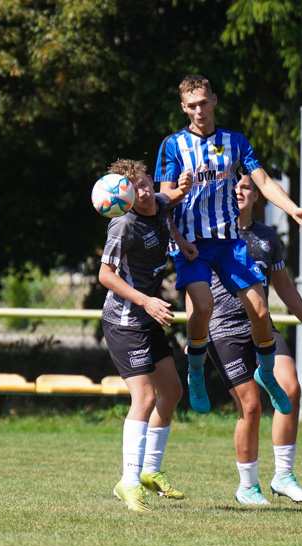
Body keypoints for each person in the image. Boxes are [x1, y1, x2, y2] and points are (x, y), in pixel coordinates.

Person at [155, 74, 302, 417]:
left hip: (230, 242)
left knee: (260, 311)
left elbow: (262, 180)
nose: (199, 111)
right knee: (203, 307)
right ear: (184, 109)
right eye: (192, 106)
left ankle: (267, 372)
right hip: (192, 245)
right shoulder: (173, 146)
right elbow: (162, 200)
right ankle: (196, 372)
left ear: (214, 100)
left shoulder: (236, 142)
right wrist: (179, 197)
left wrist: (293, 209)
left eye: (204, 102)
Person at [204, 173, 302, 505]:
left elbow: (285, 287)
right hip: (224, 329)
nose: (239, 191)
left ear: (257, 195)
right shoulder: (210, 233)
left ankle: (283, 476)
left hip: (262, 327)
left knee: (290, 387)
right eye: (233, 187)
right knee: (251, 407)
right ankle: (247, 487)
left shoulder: (266, 236)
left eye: (246, 186)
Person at [99, 159, 195, 512]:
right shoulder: (122, 225)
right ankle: (128, 482)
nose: (142, 191)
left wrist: (181, 238)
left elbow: (171, 199)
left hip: (149, 316)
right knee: (143, 399)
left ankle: (150, 472)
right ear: (123, 193)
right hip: (126, 320)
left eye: (145, 183)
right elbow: (105, 276)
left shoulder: (159, 203)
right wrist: (145, 301)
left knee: (171, 391)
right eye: (134, 187)